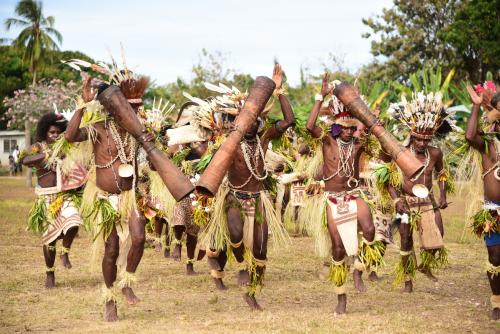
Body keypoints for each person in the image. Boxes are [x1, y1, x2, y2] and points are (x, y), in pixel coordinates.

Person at [65, 74, 154, 321]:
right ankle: (109, 299)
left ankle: (127, 281)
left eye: (134, 108)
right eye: (127, 108)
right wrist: (83, 105)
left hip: (130, 195)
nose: (133, 112)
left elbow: (155, 163)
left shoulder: (139, 132)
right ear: (114, 108)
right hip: (105, 197)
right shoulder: (99, 129)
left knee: (139, 237)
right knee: (111, 251)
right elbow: (70, 136)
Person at [205, 64, 294, 309]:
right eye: (248, 120)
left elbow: (289, 120)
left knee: (262, 250)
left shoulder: (263, 139)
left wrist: (279, 90)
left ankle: (252, 292)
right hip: (233, 195)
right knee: (234, 234)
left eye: (256, 120)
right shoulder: (229, 144)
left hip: (258, 198)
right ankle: (241, 266)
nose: (252, 125)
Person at [305, 74, 386, 315]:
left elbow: (382, 147)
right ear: (338, 127)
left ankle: (359, 269)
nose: (351, 132)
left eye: (354, 128)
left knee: (370, 230)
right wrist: (321, 95)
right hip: (331, 199)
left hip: (354, 193)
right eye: (347, 128)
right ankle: (341, 297)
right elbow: (309, 126)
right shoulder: (327, 141)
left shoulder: (360, 145)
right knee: (338, 248)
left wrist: (373, 121)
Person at [386, 90, 454, 292]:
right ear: (412, 136)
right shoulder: (401, 153)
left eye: (427, 140)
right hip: (405, 204)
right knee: (406, 239)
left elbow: (442, 174)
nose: (423, 143)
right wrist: (397, 201)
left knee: (438, 237)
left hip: (428, 202)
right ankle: (408, 280)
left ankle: (425, 265)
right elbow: (388, 180)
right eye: (419, 139)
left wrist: (442, 194)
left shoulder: (435, 153)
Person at [22, 112, 83, 288]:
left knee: (74, 221)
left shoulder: (65, 147)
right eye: (51, 133)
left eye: (58, 132)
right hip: (46, 197)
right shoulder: (38, 147)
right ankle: (50, 273)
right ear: (44, 133)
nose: (55, 135)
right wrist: (45, 156)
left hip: (64, 195)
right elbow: (26, 160)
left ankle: (65, 251)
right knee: (49, 240)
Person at [464, 82, 500, 320]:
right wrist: (476, 107)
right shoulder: (488, 144)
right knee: (495, 257)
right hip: (493, 212)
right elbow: (469, 136)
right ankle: (497, 301)